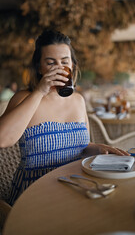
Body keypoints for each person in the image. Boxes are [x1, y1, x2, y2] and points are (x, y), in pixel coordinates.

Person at [0, 28, 129, 205]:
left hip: (75, 185)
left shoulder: (78, 100)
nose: (59, 68)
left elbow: (81, 147)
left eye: (64, 62)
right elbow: (2, 139)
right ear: (39, 67)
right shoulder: (25, 98)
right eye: (51, 63)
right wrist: (39, 91)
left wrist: (98, 148)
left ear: (72, 66)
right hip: (34, 193)